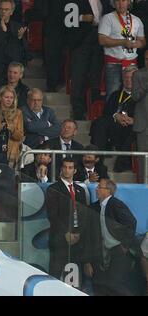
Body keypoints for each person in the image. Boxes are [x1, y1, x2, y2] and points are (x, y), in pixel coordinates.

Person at [46, 158, 93, 289]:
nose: (67, 170)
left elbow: (84, 215)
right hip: (60, 239)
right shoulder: (53, 189)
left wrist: (78, 234)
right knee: (55, 275)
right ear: (61, 168)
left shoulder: (80, 190)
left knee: (75, 278)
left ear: (75, 170)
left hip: (78, 240)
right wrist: (65, 233)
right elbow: (52, 215)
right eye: (65, 167)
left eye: (70, 167)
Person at [90, 178, 140, 295]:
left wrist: (125, 245)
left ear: (108, 191)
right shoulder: (95, 207)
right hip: (101, 251)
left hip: (118, 250)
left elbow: (131, 222)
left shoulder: (116, 204)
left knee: (114, 284)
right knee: (101, 284)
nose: (96, 189)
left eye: (99, 187)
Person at [90, 65, 137, 172]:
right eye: (126, 78)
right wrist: (116, 115)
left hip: (131, 128)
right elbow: (106, 113)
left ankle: (122, 163)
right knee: (100, 123)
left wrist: (133, 120)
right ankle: (97, 161)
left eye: (131, 78)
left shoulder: (142, 96)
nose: (128, 80)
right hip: (114, 126)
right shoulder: (116, 95)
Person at [98, 0, 145, 99]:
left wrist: (137, 44)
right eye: (117, 1)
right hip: (114, 64)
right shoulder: (108, 18)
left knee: (132, 95)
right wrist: (123, 42)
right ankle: (113, 114)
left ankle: (129, 114)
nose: (120, 3)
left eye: (123, 0)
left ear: (129, 2)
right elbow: (102, 40)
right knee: (113, 94)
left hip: (131, 65)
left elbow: (143, 41)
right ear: (113, 3)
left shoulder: (137, 20)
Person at [0, 0, 28, 89]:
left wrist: (20, 38)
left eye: (6, 9)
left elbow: (23, 49)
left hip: (12, 67)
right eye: (1, 9)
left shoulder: (18, 26)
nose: (3, 12)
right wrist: (3, 32)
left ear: (12, 11)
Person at [132, 50, 148, 182]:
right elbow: (135, 96)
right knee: (143, 159)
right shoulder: (138, 74)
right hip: (143, 125)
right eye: (147, 59)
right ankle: (144, 186)